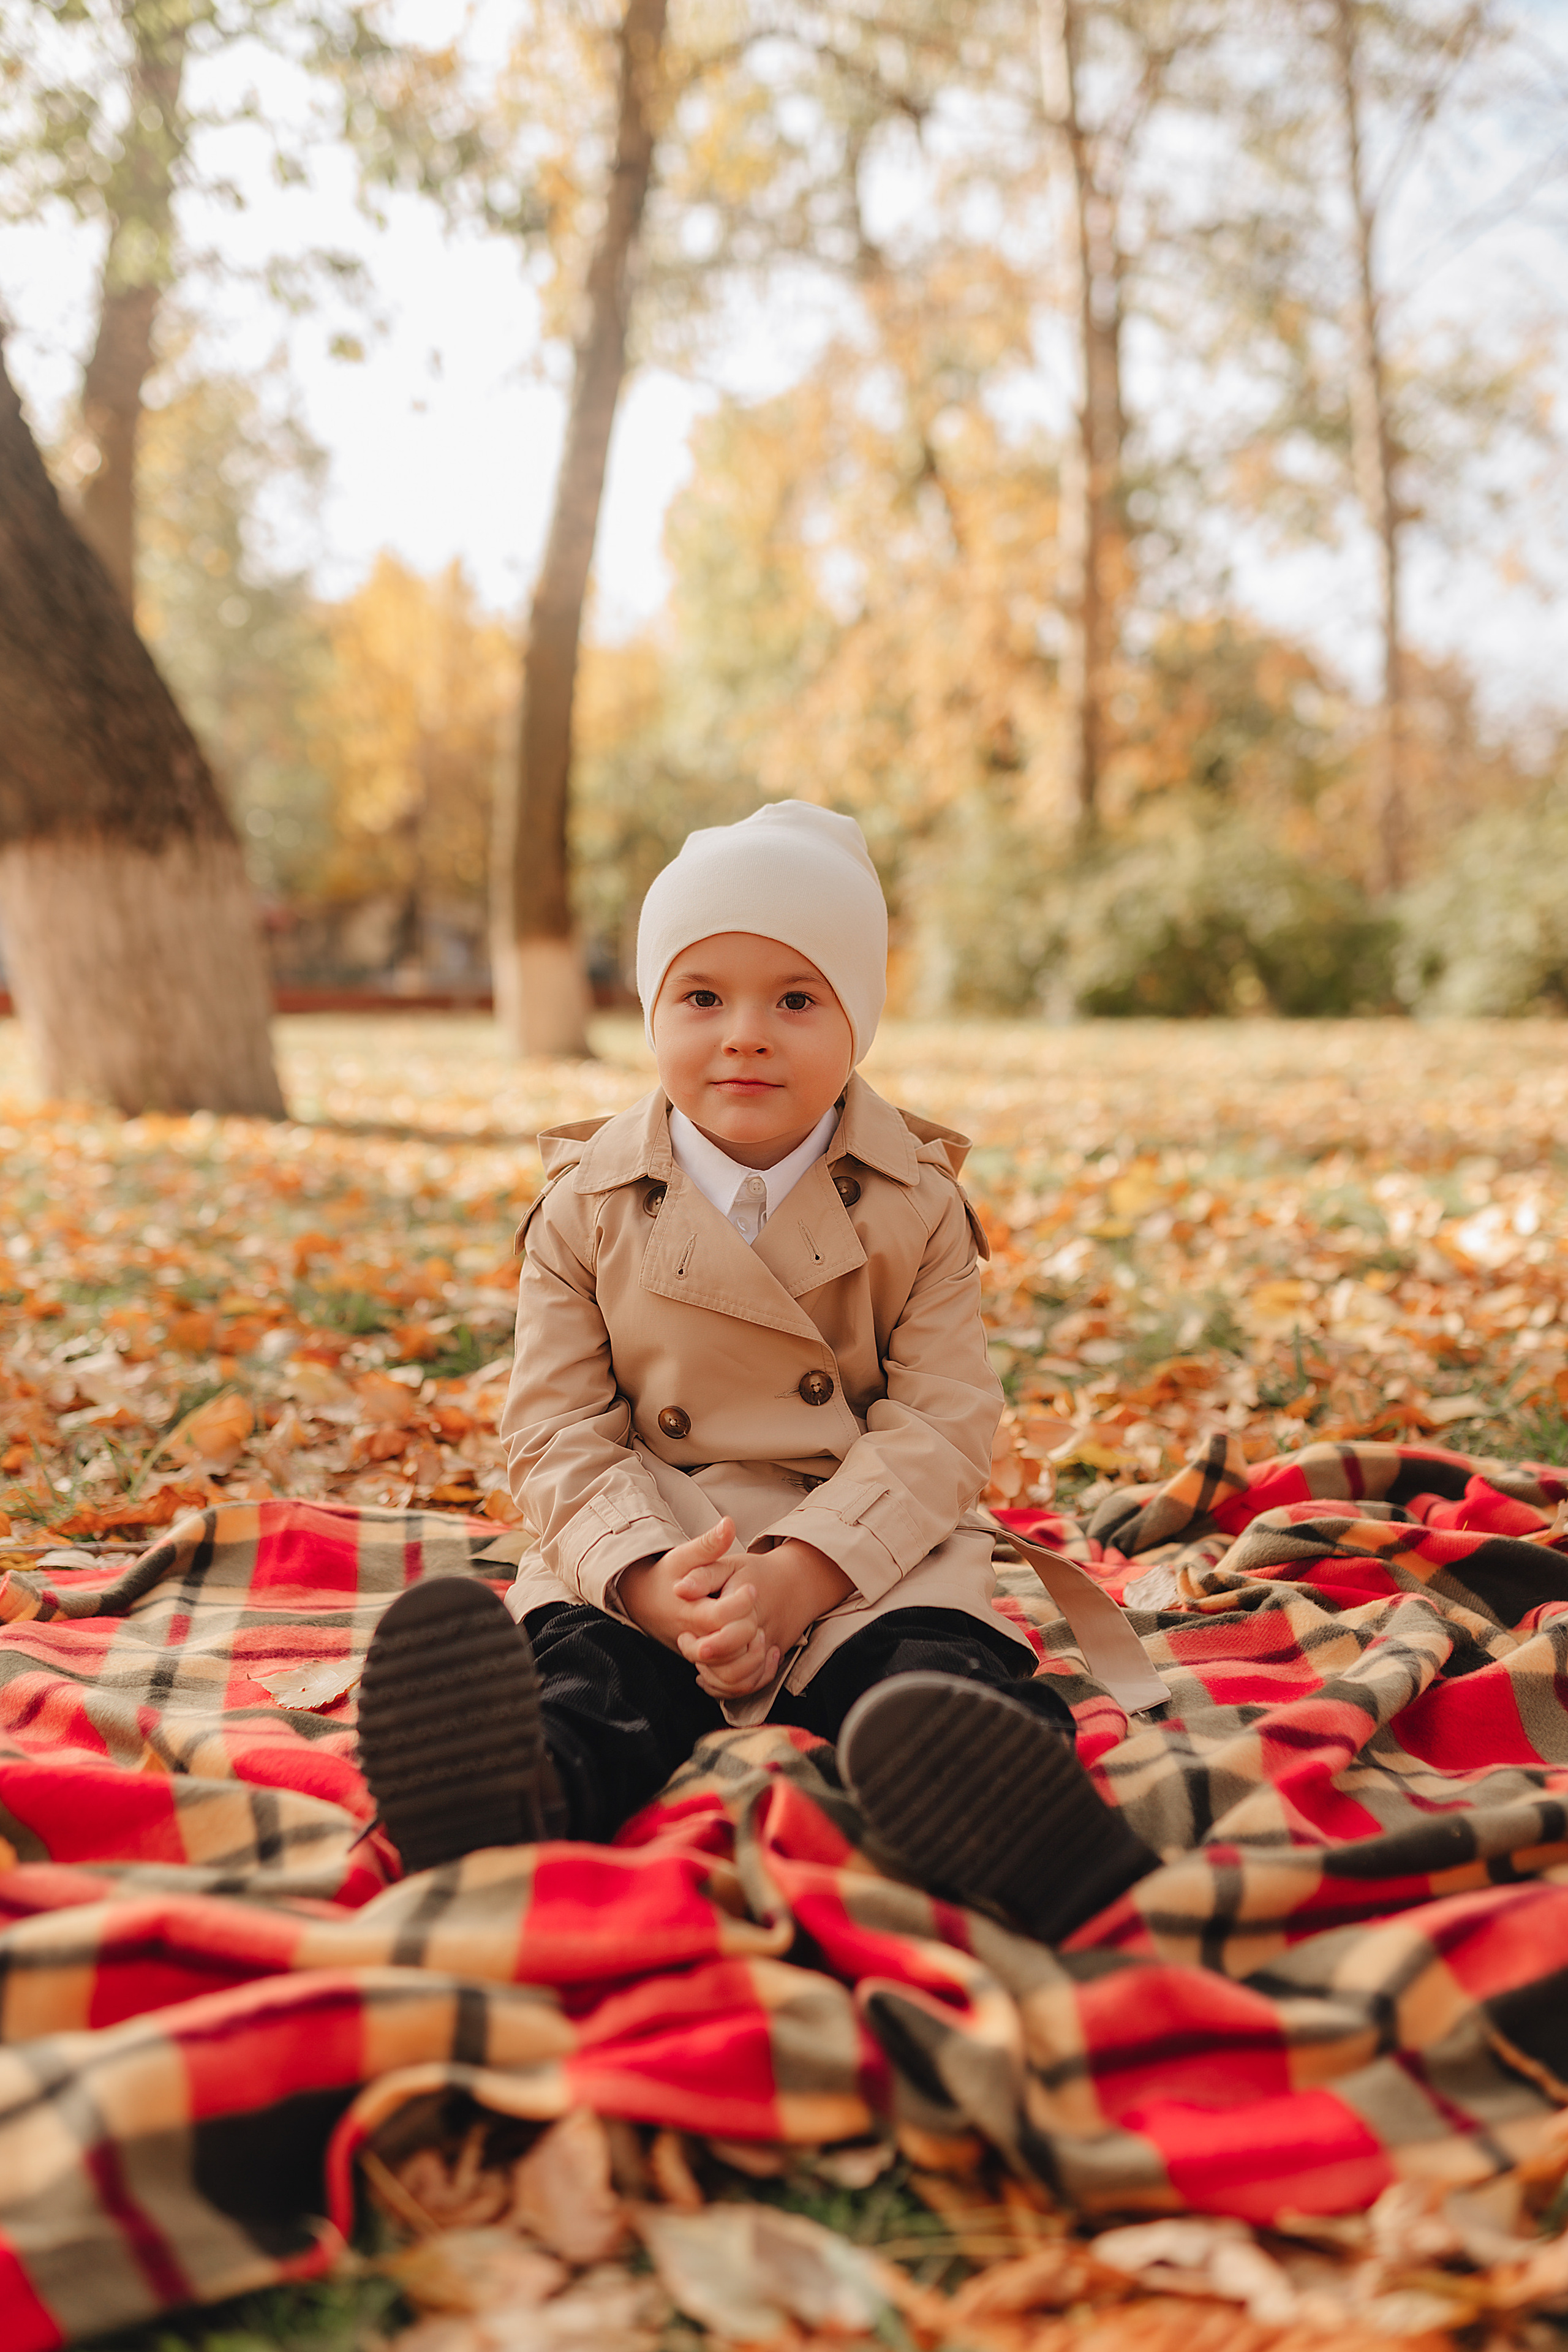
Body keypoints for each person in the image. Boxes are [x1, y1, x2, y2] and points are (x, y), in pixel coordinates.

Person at [356, 802, 1157, 1943]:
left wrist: (800, 1579)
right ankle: (507, 1802)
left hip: (864, 1542)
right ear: (649, 1012)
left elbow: (940, 1423)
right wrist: (641, 1582)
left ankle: (1029, 1831)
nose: (745, 1034)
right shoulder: (586, 1205)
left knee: (934, 1677)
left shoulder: (913, 1204)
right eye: (701, 997)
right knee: (588, 1684)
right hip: (654, 1532)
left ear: (858, 1023)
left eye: (796, 998)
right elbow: (556, 1431)